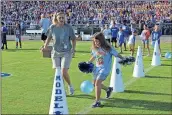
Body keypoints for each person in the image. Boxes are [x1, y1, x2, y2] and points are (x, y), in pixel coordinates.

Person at [41, 12, 76, 95]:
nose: (61, 19)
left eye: (63, 18)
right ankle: (62, 89)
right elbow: (49, 38)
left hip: (66, 52)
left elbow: (73, 39)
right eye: (59, 18)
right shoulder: (52, 27)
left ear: (65, 19)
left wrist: (73, 49)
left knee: (64, 71)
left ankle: (70, 86)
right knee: (58, 72)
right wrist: (45, 46)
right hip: (56, 52)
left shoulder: (68, 28)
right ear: (56, 19)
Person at [87, 32, 124, 108]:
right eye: (94, 42)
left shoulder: (108, 48)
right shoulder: (95, 49)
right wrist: (87, 63)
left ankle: (97, 101)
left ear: (101, 40)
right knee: (94, 83)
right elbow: (93, 57)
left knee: (97, 83)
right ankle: (108, 89)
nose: (96, 43)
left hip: (105, 69)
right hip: (96, 69)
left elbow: (116, 54)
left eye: (97, 41)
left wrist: (124, 58)